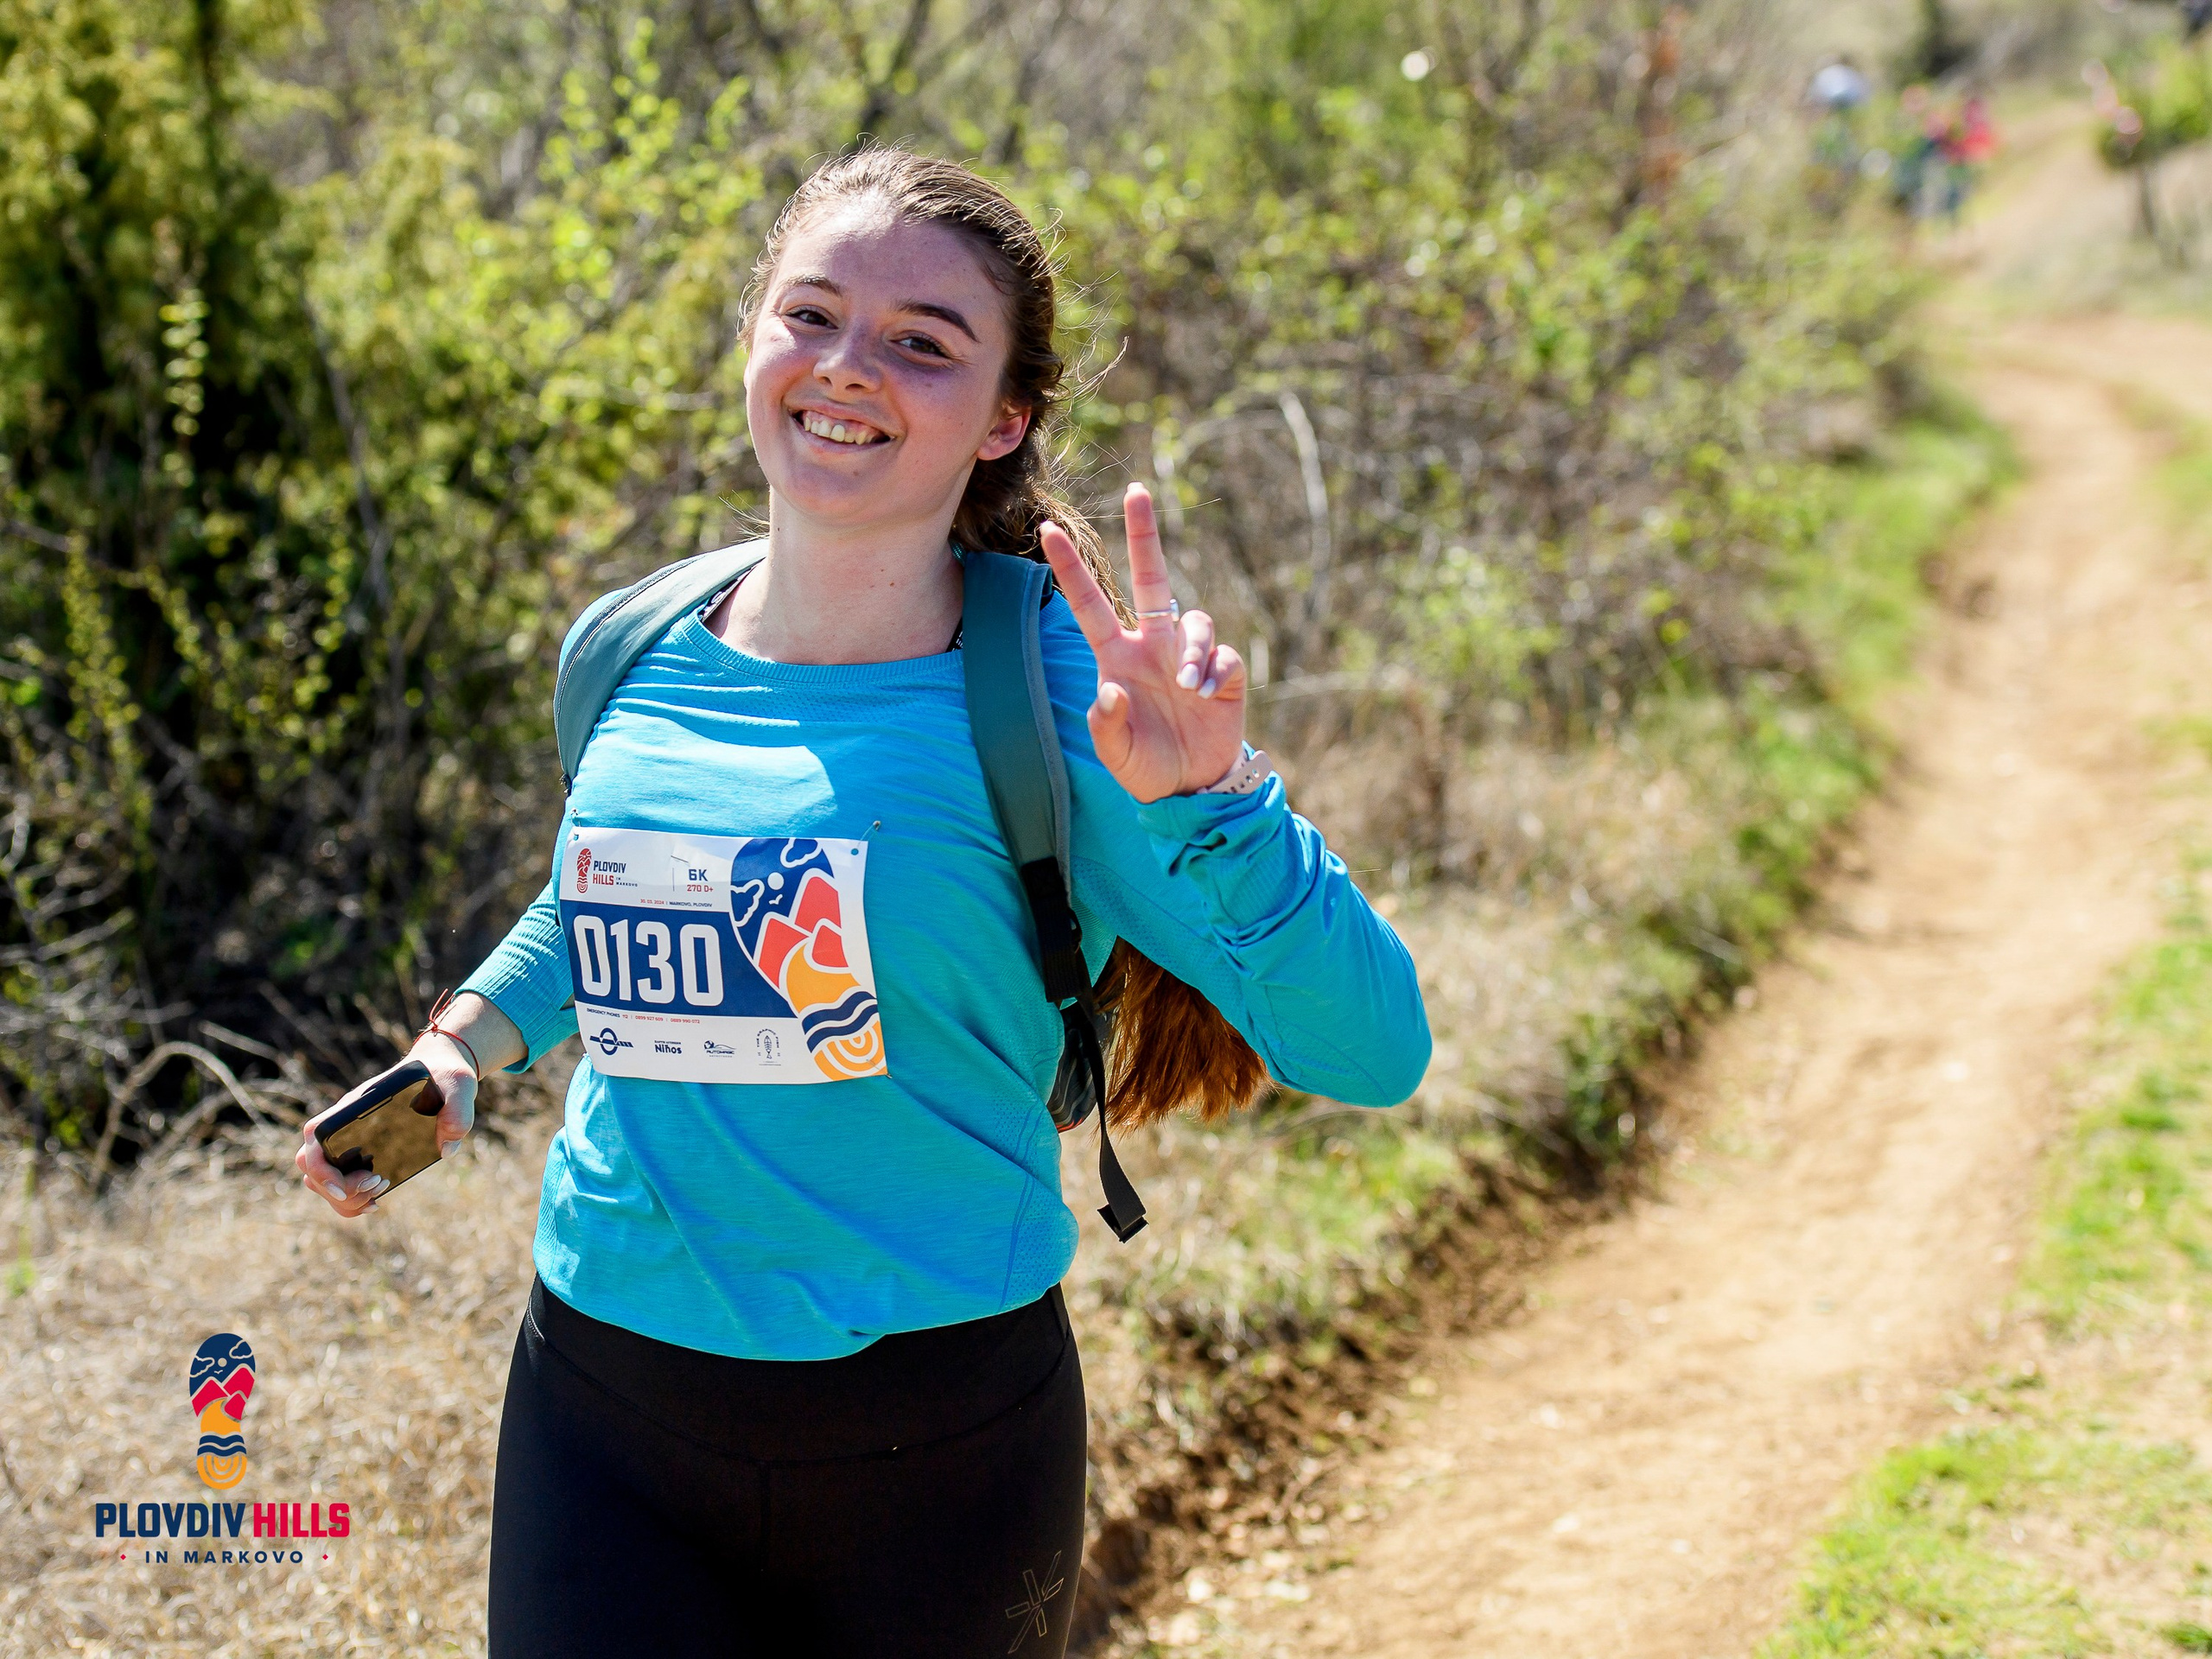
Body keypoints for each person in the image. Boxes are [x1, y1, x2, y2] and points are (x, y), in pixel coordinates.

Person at [296, 147, 1429, 1657]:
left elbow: (1377, 1052)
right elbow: (612, 897)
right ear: (755, 336)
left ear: (1005, 418)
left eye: (922, 342)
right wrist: (461, 1051)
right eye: (811, 312)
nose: (848, 368)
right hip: (603, 1407)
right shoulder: (628, 645)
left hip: (940, 1448)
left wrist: (1220, 806)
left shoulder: (1067, 694)